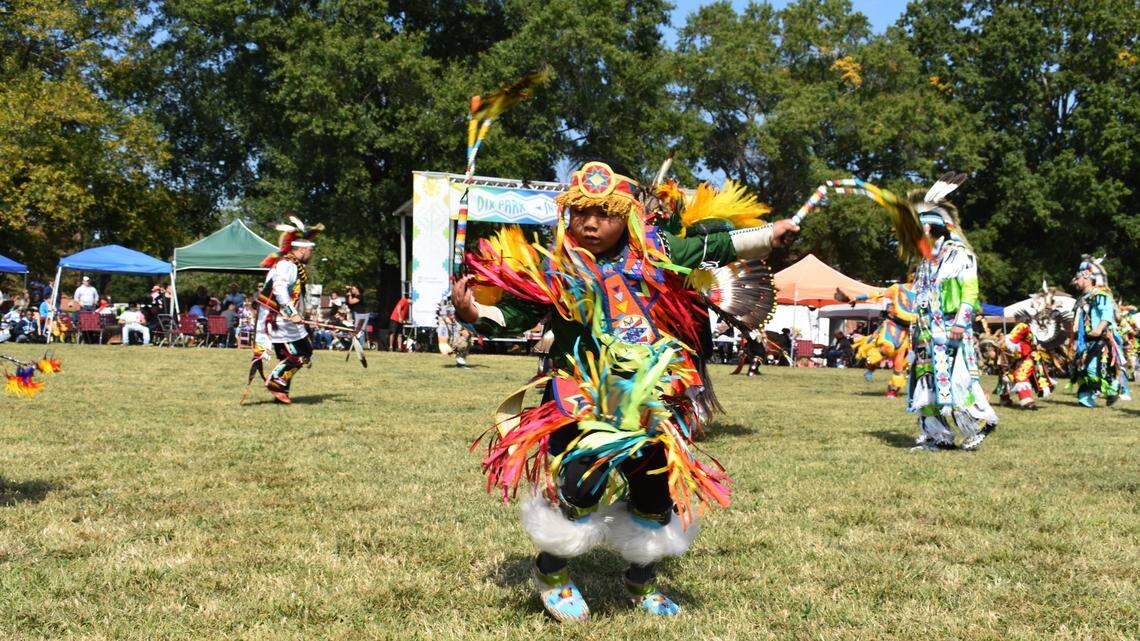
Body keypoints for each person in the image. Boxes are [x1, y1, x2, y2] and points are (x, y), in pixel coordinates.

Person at [455, 161, 798, 621]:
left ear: (628, 216)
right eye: (581, 213)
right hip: (580, 395)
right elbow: (517, 313)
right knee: (581, 486)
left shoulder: (657, 250)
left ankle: (641, 581)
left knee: (654, 494)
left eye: (605, 214)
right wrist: (473, 313)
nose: (591, 223)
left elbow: (710, 247)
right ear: (567, 214)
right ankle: (551, 570)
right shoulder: (555, 265)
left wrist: (768, 237)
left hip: (650, 396)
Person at [907, 173, 997, 451]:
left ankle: (981, 423)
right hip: (926, 332)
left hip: (951, 329)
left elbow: (970, 291)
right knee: (926, 382)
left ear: (929, 230)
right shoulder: (926, 262)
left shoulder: (960, 255)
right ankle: (938, 437)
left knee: (957, 382)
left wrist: (960, 322)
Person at [254, 215, 323, 404]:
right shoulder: (287, 264)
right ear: (302, 249)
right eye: (311, 251)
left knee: (293, 354)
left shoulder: (291, 264)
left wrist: (302, 313)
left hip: (281, 316)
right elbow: (279, 288)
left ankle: (281, 389)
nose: (311, 255)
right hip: (278, 318)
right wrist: (292, 313)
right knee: (302, 352)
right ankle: (276, 382)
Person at [1070, 256, 1130, 407]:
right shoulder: (1082, 299)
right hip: (1085, 341)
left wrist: (1098, 329)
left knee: (1092, 369)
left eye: (1077, 279)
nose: (1075, 282)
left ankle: (1112, 390)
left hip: (1101, 338)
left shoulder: (1100, 295)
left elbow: (1107, 314)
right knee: (1083, 369)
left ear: (1087, 278)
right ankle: (1086, 399)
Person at [842, 281, 917, 397]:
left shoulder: (924, 293)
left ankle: (892, 391)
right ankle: (871, 364)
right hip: (893, 326)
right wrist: (856, 298)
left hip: (907, 331)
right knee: (887, 348)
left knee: (899, 364)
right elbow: (877, 293)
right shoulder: (897, 288)